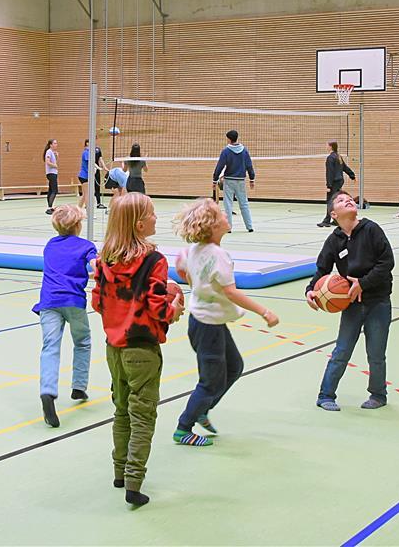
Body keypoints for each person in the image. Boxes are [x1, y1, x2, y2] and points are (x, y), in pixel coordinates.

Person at [92, 193, 184, 508]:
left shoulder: (105, 257)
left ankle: (119, 472)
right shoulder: (153, 260)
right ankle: (134, 482)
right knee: (143, 415)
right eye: (153, 213)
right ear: (139, 223)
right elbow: (158, 308)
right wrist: (174, 307)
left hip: (113, 347)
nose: (157, 218)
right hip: (142, 348)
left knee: (121, 410)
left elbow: (97, 301)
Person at [173, 199, 278, 447]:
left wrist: (189, 277)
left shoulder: (196, 250)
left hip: (208, 322)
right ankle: (183, 428)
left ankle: (202, 409)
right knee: (210, 381)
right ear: (212, 225)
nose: (226, 215)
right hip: (207, 325)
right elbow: (231, 292)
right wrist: (264, 311)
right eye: (221, 214)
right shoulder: (218, 255)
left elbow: (186, 274)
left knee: (234, 367)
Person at [307, 191, 395, 411]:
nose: (348, 200)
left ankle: (378, 395)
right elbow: (322, 269)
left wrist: (362, 283)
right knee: (342, 350)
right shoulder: (334, 240)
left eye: (350, 199)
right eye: (341, 200)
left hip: (378, 302)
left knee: (376, 353)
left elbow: (387, 263)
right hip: (351, 305)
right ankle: (325, 395)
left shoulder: (371, 229)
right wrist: (310, 290)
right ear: (333, 214)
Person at [35, 205, 97, 428]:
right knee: (82, 341)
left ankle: (48, 391)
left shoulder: (50, 246)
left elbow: (63, 269)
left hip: (49, 301)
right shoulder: (86, 246)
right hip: (73, 302)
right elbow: (94, 266)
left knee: (50, 346)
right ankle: (79, 386)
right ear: (78, 225)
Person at [212, 129, 255, 233]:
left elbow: (220, 166)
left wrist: (215, 180)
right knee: (244, 203)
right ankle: (249, 227)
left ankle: (228, 227)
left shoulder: (226, 151)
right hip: (240, 180)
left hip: (229, 180)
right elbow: (249, 165)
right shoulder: (244, 150)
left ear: (228, 139)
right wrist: (252, 179)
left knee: (228, 204)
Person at [318, 140, 356, 228]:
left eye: (327, 145)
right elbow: (345, 168)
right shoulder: (338, 156)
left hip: (334, 182)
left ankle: (326, 221)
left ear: (330, 146)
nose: (326, 147)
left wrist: (329, 186)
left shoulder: (330, 158)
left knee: (330, 201)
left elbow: (330, 172)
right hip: (339, 181)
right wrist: (352, 175)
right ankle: (336, 220)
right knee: (335, 201)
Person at [77, 140, 106, 210]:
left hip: (87, 176)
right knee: (87, 195)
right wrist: (98, 168)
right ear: (87, 144)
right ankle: (88, 213)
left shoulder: (90, 153)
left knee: (84, 195)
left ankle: (77, 210)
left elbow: (93, 162)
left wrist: (99, 168)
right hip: (84, 176)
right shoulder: (86, 152)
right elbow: (91, 163)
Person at [43, 139, 58, 215]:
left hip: (53, 173)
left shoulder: (52, 152)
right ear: (50, 145)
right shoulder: (49, 151)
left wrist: (56, 156)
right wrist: (55, 165)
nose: (56, 144)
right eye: (55, 143)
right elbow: (47, 162)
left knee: (51, 190)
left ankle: (50, 207)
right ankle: (49, 207)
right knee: (54, 190)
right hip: (51, 173)